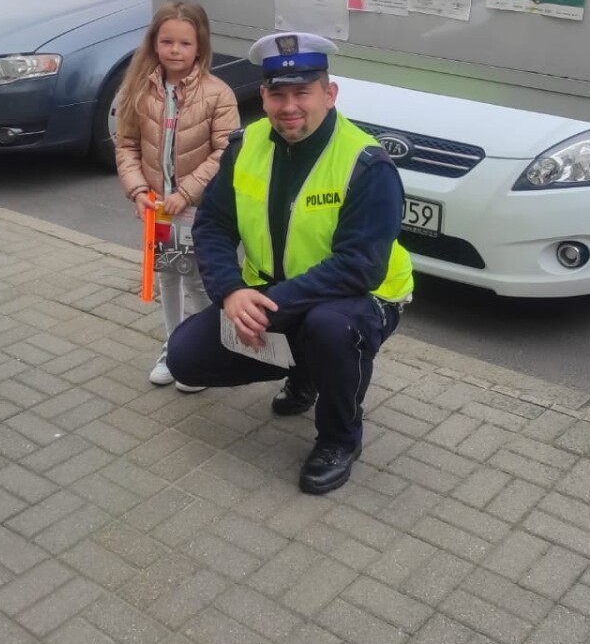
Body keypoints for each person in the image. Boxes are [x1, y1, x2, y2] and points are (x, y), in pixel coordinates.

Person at [167, 31, 413, 494]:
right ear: (262, 95)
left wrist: (268, 305)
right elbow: (214, 226)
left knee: (330, 330)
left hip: (359, 299)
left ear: (329, 93)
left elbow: (360, 266)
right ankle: (305, 370)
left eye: (303, 91)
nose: (289, 106)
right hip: (271, 295)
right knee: (185, 358)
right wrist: (232, 293)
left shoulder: (366, 163)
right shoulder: (245, 145)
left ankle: (340, 437)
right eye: (277, 94)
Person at [115, 0, 240, 385]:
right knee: (168, 277)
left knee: (198, 282)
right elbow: (126, 145)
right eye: (167, 41)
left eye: (184, 44)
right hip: (159, 209)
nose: (174, 50)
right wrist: (138, 191)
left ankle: (203, 354)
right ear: (154, 43)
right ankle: (174, 348)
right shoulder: (139, 89)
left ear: (199, 46)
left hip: (200, 210)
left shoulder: (218, 94)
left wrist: (186, 192)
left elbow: (225, 151)